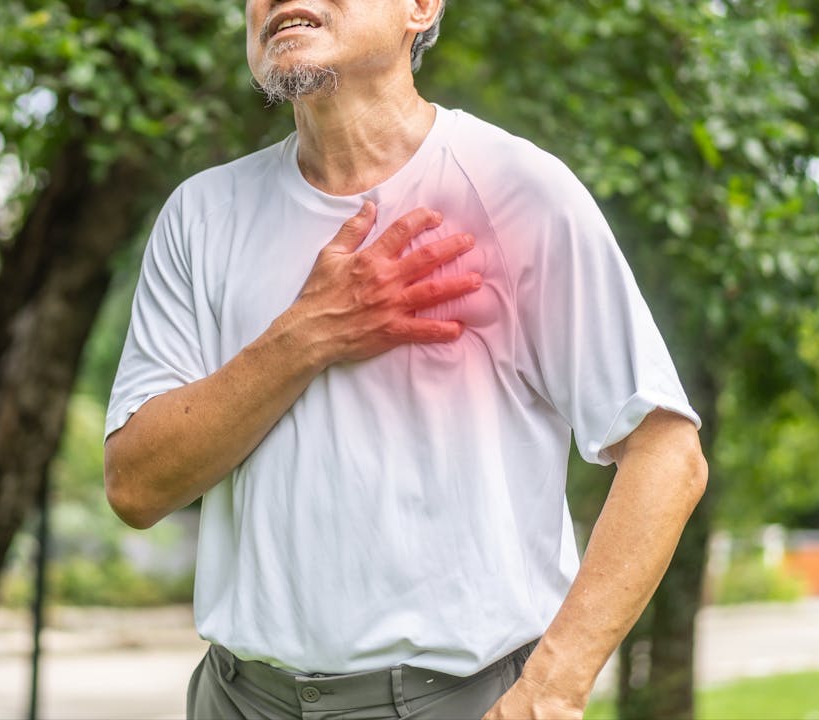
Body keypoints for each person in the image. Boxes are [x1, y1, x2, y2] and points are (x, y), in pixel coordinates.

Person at [103, 1, 708, 717]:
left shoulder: (517, 191)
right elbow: (136, 487)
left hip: (455, 700)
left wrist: (551, 689)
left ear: (420, 7)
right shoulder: (201, 215)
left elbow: (667, 454)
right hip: (237, 698)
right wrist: (309, 332)